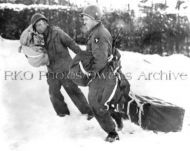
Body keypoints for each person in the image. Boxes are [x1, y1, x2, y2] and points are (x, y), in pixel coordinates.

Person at [71, 5, 130, 142]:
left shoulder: (98, 35)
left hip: (104, 74)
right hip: (104, 71)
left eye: (86, 18)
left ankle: (112, 132)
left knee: (95, 103)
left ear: (94, 18)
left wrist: (89, 73)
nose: (84, 21)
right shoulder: (97, 32)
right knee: (102, 100)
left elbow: (100, 60)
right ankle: (116, 118)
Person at [29, 13, 93, 119]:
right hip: (52, 70)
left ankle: (88, 112)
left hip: (66, 68)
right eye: (37, 25)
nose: (40, 27)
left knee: (73, 90)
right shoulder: (37, 38)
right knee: (53, 92)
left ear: (46, 23)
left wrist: (83, 56)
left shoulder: (57, 32)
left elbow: (71, 43)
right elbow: (36, 53)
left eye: (42, 24)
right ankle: (62, 113)